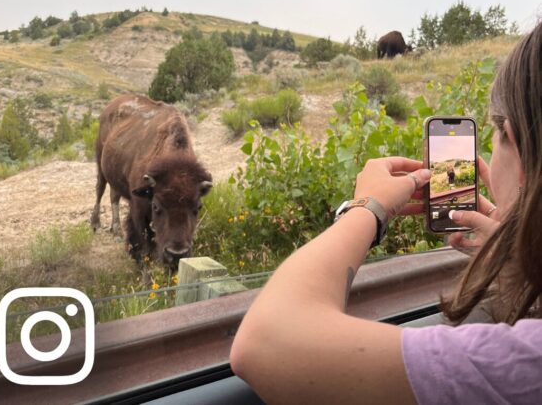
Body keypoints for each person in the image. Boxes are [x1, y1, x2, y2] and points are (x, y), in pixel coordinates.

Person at [230, 21, 542, 404]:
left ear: (510, 139)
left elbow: (263, 344)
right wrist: (522, 260)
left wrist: (366, 208)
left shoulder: (523, 359)